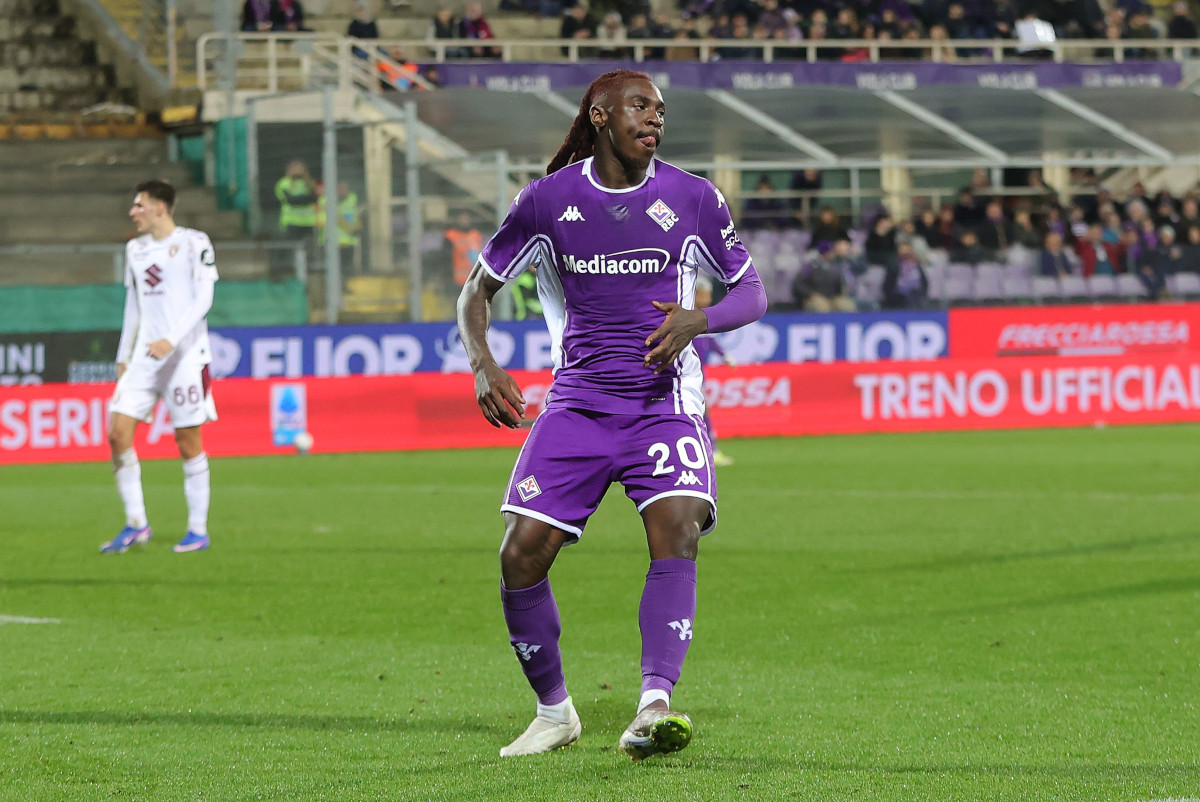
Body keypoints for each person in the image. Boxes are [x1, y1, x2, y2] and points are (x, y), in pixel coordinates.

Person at [456, 70, 766, 761]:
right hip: (579, 406)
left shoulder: (693, 196)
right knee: (520, 556)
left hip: (663, 405)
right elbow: (476, 291)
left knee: (677, 530)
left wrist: (699, 321)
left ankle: (654, 704)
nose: (655, 118)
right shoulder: (545, 202)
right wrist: (484, 362)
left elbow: (752, 293)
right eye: (640, 106)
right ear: (600, 115)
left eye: (660, 110)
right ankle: (555, 711)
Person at [101, 180, 218, 555]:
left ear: (160, 208)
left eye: (140, 205)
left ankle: (197, 530)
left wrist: (172, 337)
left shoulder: (194, 243)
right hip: (145, 359)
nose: (133, 212)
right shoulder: (134, 250)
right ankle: (136, 524)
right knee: (118, 434)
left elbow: (205, 298)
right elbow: (133, 304)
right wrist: (123, 354)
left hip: (185, 356)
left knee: (187, 441)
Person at [691, 276, 736, 467]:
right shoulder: (686, 317)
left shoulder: (703, 316)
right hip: (689, 373)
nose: (707, 300)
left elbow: (710, 340)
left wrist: (724, 355)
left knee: (702, 410)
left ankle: (708, 450)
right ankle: (710, 450)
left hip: (699, 373)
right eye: (703, 295)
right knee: (702, 411)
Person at [793, 239, 857, 312]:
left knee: (847, 305)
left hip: (833, 297)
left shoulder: (836, 265)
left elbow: (840, 283)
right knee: (822, 306)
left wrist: (842, 291)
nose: (833, 253)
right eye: (831, 251)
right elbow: (798, 285)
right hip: (815, 297)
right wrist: (811, 294)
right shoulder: (810, 266)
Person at [316, 181, 361, 274]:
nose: (344, 192)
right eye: (341, 189)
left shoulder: (351, 200)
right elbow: (323, 221)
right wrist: (346, 225)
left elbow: (355, 217)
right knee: (332, 271)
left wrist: (356, 228)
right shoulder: (325, 202)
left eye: (346, 189)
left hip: (347, 243)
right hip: (330, 244)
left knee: (347, 270)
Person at [275, 160, 318, 240]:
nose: (297, 171)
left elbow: (314, 198)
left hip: (308, 222)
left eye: (300, 169)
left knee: (309, 249)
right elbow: (290, 200)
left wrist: (300, 199)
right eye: (295, 169)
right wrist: (305, 199)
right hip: (291, 222)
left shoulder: (309, 183)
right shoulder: (284, 183)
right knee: (292, 248)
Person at [882, 241, 928, 308]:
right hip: (898, 297)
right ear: (899, 252)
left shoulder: (917, 266)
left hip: (916, 296)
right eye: (904, 251)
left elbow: (924, 283)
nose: (906, 253)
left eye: (908, 250)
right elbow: (887, 286)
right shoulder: (894, 266)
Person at [445, 211, 484, 287]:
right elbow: (445, 257)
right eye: (462, 218)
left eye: (466, 218)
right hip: (456, 280)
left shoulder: (476, 235)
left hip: (474, 279)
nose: (465, 220)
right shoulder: (451, 236)